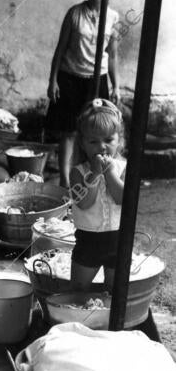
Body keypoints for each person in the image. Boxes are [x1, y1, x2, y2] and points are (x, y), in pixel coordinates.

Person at [46, 0, 120, 188]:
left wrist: (116, 85)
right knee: (69, 130)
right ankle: (65, 180)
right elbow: (60, 49)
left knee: (97, 129)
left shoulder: (113, 17)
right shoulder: (75, 14)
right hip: (71, 78)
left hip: (98, 80)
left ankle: (96, 178)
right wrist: (53, 81)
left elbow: (113, 54)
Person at [69, 98, 125, 292]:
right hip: (88, 241)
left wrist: (109, 173)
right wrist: (94, 174)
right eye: (93, 141)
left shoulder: (123, 168)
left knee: (113, 291)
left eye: (109, 140)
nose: (102, 147)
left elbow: (123, 199)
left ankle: (106, 321)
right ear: (82, 144)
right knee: (78, 289)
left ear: (119, 141)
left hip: (119, 239)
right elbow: (84, 203)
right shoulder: (78, 172)